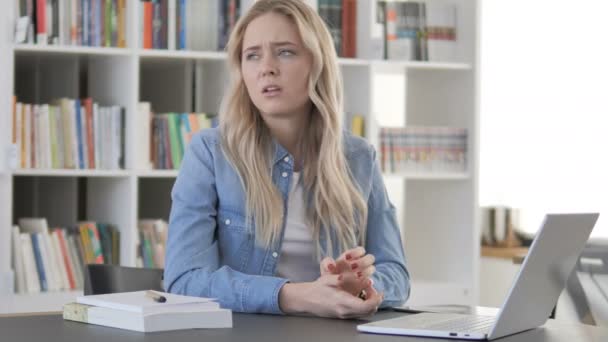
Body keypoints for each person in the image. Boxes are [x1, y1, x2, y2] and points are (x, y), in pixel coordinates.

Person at [164, 0, 410, 319]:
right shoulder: (210, 152)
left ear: (316, 63)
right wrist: (297, 295)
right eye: (252, 55)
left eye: (285, 52)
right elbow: (184, 281)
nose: (266, 67)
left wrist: (362, 285)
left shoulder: (359, 157)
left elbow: (398, 277)